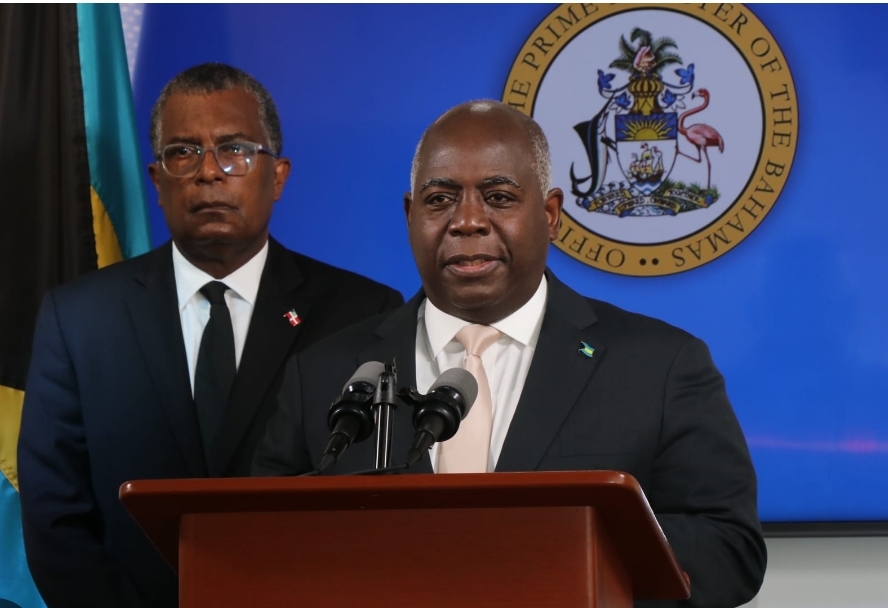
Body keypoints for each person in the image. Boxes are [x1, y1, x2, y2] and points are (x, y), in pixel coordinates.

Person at [253, 100, 766, 607]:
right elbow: (256, 547)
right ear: (411, 216)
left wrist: (566, 550)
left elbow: (729, 550)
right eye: (439, 199)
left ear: (550, 214)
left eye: (498, 197)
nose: (467, 221)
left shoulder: (660, 366)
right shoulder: (322, 373)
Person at [17, 63, 403, 608]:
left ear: (278, 176)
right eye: (183, 152)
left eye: (235, 150)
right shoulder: (79, 319)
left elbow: (373, 504)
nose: (209, 173)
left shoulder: (362, 312)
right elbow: (55, 517)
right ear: (157, 181)